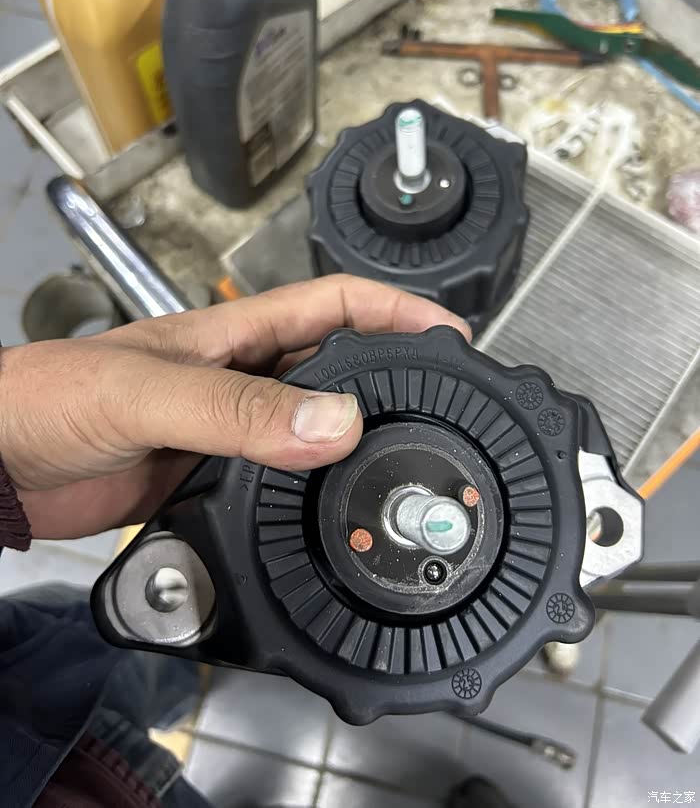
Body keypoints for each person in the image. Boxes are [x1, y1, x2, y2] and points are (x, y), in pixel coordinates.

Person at [1, 275, 478, 808]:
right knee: (117, 648)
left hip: (23, 665)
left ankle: (180, 675)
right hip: (88, 793)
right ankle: (181, 667)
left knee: (110, 653)